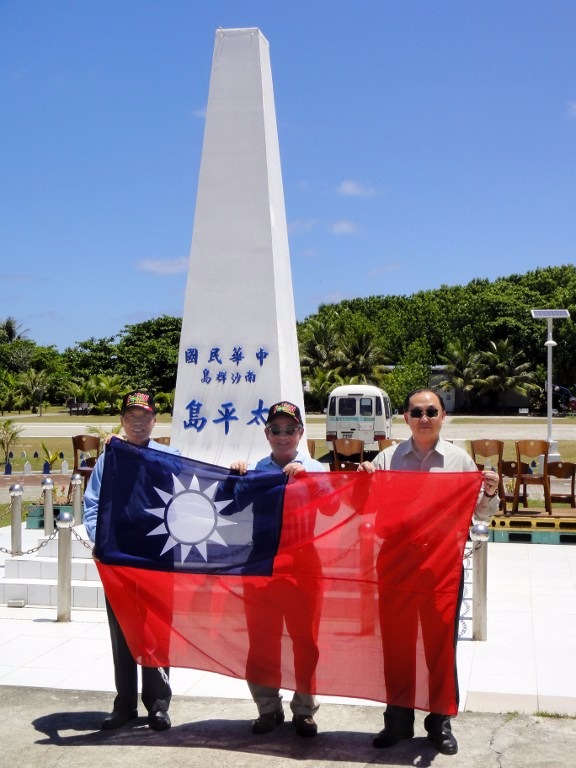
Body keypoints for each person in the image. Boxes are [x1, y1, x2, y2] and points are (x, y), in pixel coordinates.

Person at [358, 388, 500, 756]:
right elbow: (366, 510)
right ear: (405, 417)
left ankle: (440, 723)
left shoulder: (460, 462)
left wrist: (488, 493)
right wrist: (364, 481)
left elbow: (480, 515)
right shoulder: (387, 459)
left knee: (440, 649)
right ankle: (398, 721)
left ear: (442, 416)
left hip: (441, 569)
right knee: (398, 647)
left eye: (431, 411)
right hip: (396, 566)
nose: (424, 418)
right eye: (417, 411)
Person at [83, 390, 180, 732]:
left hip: (157, 558)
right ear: (122, 422)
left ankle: (158, 704)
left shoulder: (170, 458)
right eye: (131, 417)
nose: (138, 423)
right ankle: (124, 703)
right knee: (122, 631)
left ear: (155, 421)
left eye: (145, 417)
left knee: (156, 632)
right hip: (119, 560)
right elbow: (92, 504)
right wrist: (102, 540)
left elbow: (191, 494)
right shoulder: (110, 458)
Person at [230, 401, 327, 738]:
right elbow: (232, 505)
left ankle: (304, 710)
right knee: (261, 641)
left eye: (290, 429)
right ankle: (267, 708)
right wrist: (235, 475)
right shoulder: (256, 469)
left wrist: (309, 479)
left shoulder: (316, 467)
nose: (283, 436)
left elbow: (332, 505)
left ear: (300, 433)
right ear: (267, 433)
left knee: (306, 642)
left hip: (303, 568)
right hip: (262, 566)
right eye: (276, 430)